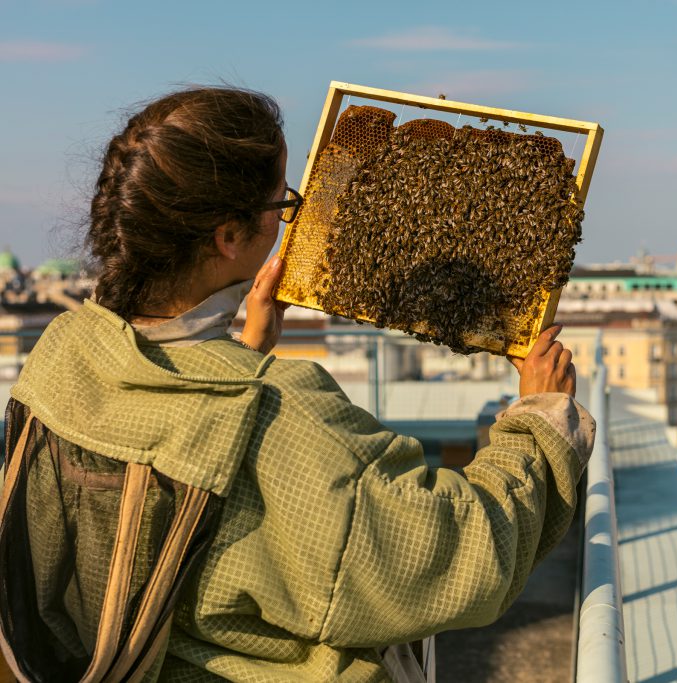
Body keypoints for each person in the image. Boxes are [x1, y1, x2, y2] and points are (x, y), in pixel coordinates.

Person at [4, 87, 594, 681]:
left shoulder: (63, 354)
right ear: (229, 238)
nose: (295, 220)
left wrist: (240, 354)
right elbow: (455, 555)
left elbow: (169, 450)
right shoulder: (282, 416)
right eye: (283, 204)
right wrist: (538, 422)